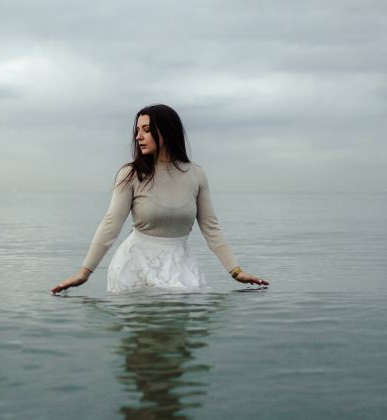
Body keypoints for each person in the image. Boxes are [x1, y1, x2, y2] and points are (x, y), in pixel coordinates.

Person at [51, 104, 269, 295]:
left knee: (179, 339)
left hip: (182, 266)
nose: (138, 137)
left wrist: (236, 271)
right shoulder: (130, 174)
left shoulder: (196, 174)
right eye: (137, 130)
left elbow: (211, 227)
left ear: (167, 132)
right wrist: (84, 272)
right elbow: (112, 223)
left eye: (146, 130)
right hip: (136, 267)